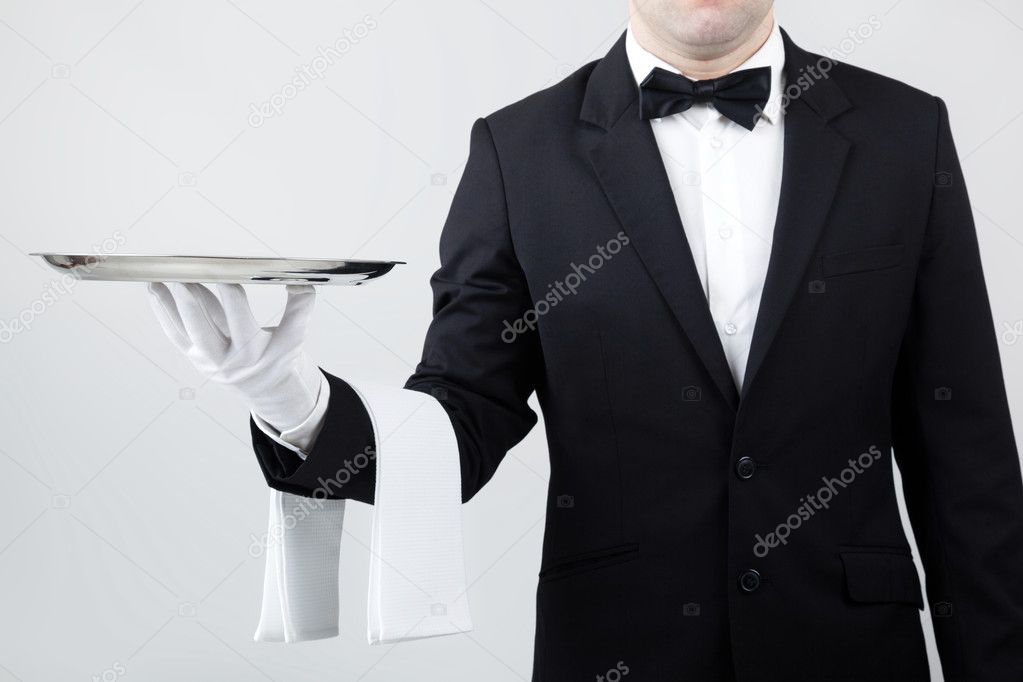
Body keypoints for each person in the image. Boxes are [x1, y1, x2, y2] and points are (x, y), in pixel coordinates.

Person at [148, 0, 1023, 679]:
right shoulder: (516, 151)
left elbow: (966, 453)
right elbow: (462, 418)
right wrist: (291, 404)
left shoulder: (905, 132)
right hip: (617, 649)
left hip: (849, 654)